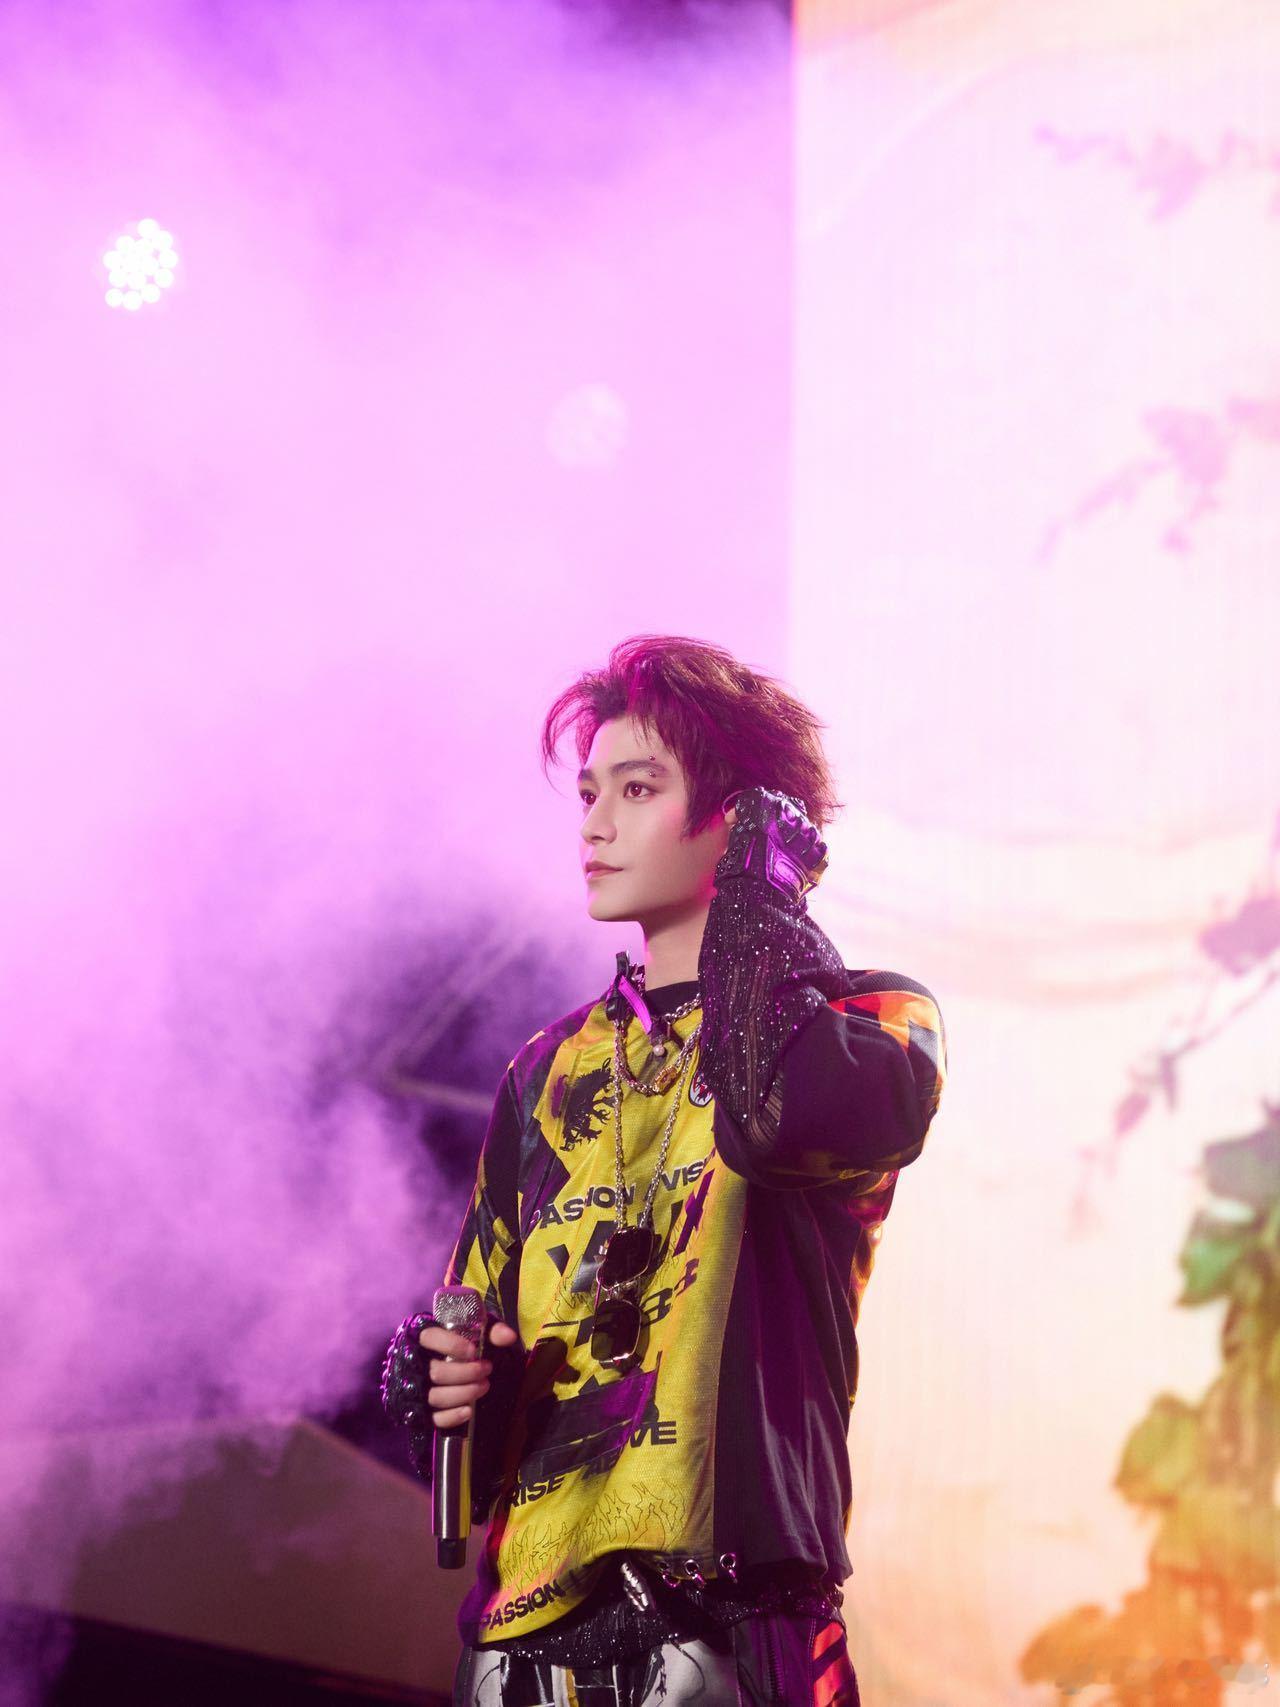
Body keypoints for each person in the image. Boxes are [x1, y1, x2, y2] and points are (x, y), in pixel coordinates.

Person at [382, 634, 948, 1706]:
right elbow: (485, 1341)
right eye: (589, 791)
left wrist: (763, 904)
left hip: (731, 1622)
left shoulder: (868, 1018)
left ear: (745, 819)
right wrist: (451, 1384)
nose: (594, 824)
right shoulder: (544, 1070)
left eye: (637, 789)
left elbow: (778, 1120)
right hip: (521, 1635)